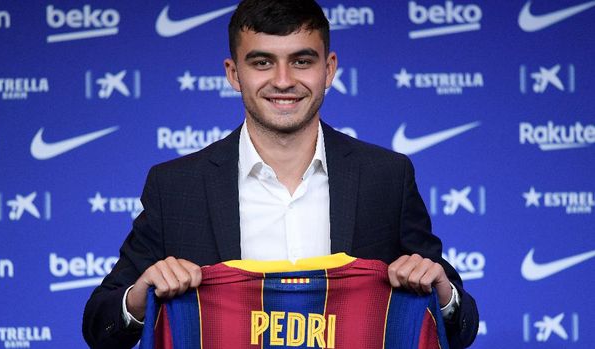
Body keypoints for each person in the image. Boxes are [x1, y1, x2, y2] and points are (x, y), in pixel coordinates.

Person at [83, 0, 479, 348]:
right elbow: (99, 326)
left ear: (329, 69)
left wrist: (442, 294)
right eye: (262, 62)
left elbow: (460, 329)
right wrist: (139, 294)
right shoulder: (175, 186)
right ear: (234, 73)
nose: (284, 80)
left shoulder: (386, 177)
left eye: (302, 61)